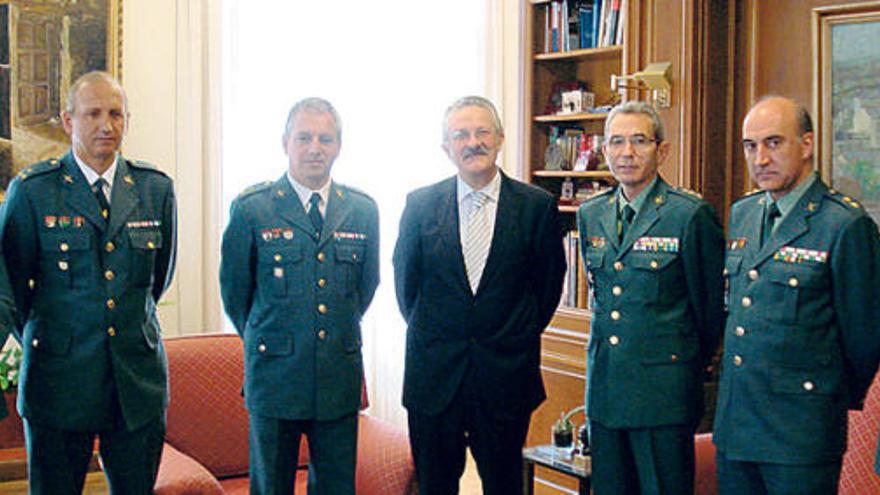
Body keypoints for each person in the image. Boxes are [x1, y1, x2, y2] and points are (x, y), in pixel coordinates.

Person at [0, 71, 177, 494]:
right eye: (93, 113)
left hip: (135, 381)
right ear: (68, 121)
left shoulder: (154, 189)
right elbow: (12, 289)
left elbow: (158, 280)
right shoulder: (33, 192)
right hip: (59, 380)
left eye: (116, 114)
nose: (106, 125)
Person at [393, 95, 566, 495]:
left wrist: (509, 332)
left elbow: (547, 288)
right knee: (435, 485)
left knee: (505, 485)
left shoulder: (536, 206)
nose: (473, 142)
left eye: (482, 131)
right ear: (446, 147)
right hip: (434, 378)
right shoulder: (419, 205)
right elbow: (407, 287)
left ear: (500, 138)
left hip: (505, 376)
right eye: (461, 134)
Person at [713, 96, 880, 494]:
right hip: (738, 425)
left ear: (806, 145)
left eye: (774, 143)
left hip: (801, 433)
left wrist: (820, 400)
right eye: (750, 146)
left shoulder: (844, 224)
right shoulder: (744, 213)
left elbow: (864, 340)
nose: (760, 158)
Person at [220, 97, 379, 495]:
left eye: (325, 139)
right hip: (275, 377)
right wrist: (275, 337)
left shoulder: (362, 210)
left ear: (338, 145)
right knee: (271, 487)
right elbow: (236, 295)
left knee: (336, 487)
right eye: (304, 137)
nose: (314, 148)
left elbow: (366, 287)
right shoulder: (252, 208)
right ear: (285, 143)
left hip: (337, 378)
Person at [576, 101, 725, 494]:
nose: (627, 153)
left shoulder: (689, 215)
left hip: (663, 396)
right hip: (606, 391)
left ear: (662, 151)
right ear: (604, 150)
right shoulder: (592, 213)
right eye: (617, 142)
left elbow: (710, 312)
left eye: (639, 141)